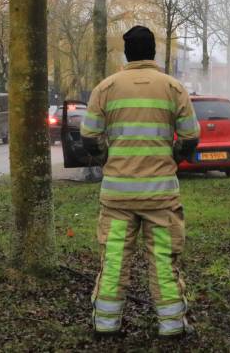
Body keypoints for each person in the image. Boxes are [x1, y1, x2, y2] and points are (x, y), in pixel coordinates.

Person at [81, 25, 200, 338]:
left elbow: (89, 136)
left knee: (114, 261)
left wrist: (108, 158)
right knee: (163, 260)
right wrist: (173, 159)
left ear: (126, 53)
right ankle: (171, 326)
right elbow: (190, 137)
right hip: (160, 197)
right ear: (153, 52)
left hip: (117, 199)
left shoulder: (105, 88)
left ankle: (106, 325)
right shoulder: (173, 88)